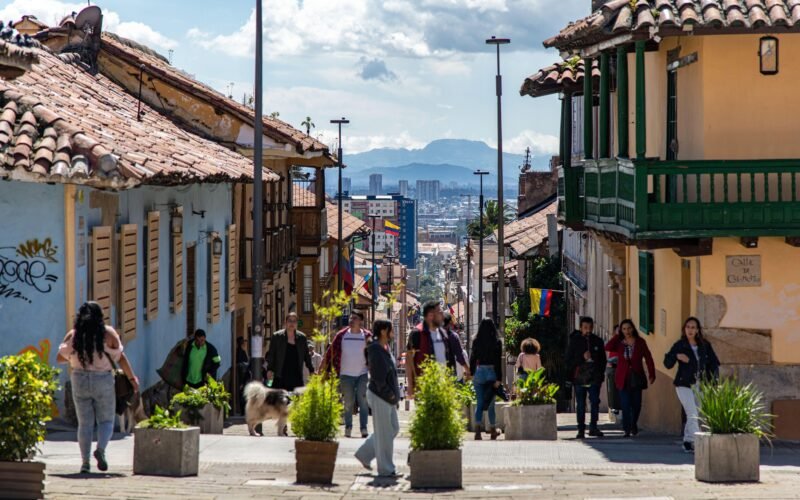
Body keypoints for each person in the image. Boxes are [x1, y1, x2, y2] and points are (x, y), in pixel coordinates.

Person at [57, 301, 140, 474]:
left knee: (85, 424)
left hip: (79, 379)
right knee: (106, 420)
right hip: (102, 380)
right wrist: (132, 379)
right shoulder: (108, 334)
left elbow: (60, 358)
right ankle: (100, 450)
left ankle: (85, 463)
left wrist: (77, 357)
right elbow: (121, 358)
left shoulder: (74, 335)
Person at [664, 317, 720, 452]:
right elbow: (667, 363)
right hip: (683, 384)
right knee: (692, 413)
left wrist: (713, 383)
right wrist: (677, 356)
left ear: (697, 330)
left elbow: (714, 364)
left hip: (699, 384)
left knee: (696, 414)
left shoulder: (704, 345)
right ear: (684, 329)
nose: (690, 330)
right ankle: (698, 443)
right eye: (688, 327)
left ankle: (688, 441)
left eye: (693, 327)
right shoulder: (680, 345)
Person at [355, 320, 401, 478]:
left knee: (393, 429)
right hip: (381, 395)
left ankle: (365, 453)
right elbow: (378, 377)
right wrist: (390, 393)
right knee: (385, 433)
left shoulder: (383, 348)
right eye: (391, 330)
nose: (393, 333)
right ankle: (386, 469)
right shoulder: (375, 349)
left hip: (387, 396)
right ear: (383, 331)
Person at [320, 311, 373, 438]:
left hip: (362, 374)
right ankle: (348, 427)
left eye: (354, 318)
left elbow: (374, 353)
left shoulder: (367, 336)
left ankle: (363, 428)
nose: (351, 320)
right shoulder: (341, 335)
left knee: (363, 401)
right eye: (350, 317)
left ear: (360, 321)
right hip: (345, 374)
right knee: (348, 402)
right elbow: (330, 352)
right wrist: (322, 368)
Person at [605, 319, 656, 437]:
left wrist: (652, 374)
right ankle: (627, 429)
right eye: (624, 329)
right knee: (625, 404)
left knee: (636, 404)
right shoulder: (619, 343)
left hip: (636, 377)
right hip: (622, 378)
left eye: (629, 328)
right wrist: (617, 336)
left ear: (633, 328)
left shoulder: (640, 342)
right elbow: (608, 346)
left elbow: (648, 358)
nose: (627, 331)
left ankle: (634, 424)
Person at [566, 316, 607, 439]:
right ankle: (581, 429)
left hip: (594, 377)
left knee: (594, 402)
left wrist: (600, 374)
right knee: (581, 404)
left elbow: (603, 360)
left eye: (590, 328)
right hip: (579, 377)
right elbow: (568, 360)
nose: (588, 330)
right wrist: (581, 358)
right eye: (585, 328)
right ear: (580, 328)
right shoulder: (574, 342)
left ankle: (593, 427)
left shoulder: (598, 341)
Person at [406, 301, 453, 397]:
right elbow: (409, 360)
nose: (442, 316)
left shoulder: (443, 333)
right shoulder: (417, 333)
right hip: (424, 386)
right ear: (431, 315)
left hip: (442, 386)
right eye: (440, 312)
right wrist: (411, 385)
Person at [469, 318, 502, 440]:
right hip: (491, 373)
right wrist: (499, 378)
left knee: (479, 401)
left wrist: (472, 373)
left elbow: (473, 358)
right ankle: (493, 430)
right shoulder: (497, 342)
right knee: (491, 404)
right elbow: (498, 361)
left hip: (479, 372)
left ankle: (477, 432)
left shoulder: (476, 340)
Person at [266, 312, 314, 393]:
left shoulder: (302, 338)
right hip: (280, 375)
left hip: (296, 375)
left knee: (296, 401)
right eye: (290, 321)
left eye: (294, 321)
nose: (292, 323)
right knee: (280, 402)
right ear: (285, 322)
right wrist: (269, 369)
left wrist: (311, 370)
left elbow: (306, 356)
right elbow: (271, 355)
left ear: (297, 323)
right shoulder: (277, 337)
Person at [442, 312, 470, 381]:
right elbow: (459, 355)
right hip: (451, 371)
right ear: (449, 323)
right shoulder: (453, 336)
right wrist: (467, 369)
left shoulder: (434, 335)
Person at [236, 336, 250, 413]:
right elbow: (241, 365)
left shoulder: (242, 351)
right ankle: (242, 410)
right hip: (242, 376)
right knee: (242, 393)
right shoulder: (240, 351)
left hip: (244, 376)